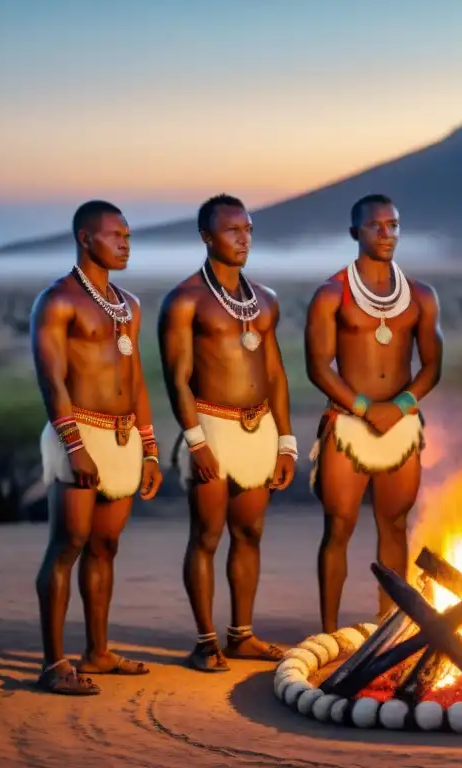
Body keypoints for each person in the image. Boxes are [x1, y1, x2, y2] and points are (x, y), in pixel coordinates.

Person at [158, 193, 297, 672]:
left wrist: (286, 441)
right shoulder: (184, 300)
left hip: (259, 427)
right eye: (232, 230)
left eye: (249, 229)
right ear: (206, 236)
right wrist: (195, 441)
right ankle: (205, 642)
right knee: (206, 536)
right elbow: (176, 378)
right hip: (211, 427)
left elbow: (276, 374)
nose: (244, 239)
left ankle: (241, 636)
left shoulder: (267, 299)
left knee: (250, 532)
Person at [30, 200, 164, 695]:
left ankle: (98, 652)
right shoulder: (57, 300)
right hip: (77, 434)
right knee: (68, 545)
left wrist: (149, 449)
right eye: (115, 235)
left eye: (129, 235)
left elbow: (137, 380)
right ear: (86, 239)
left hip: (125, 437)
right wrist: (74, 446)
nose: (126, 243)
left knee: (106, 547)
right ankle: (52, 664)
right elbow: (52, 380)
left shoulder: (128, 304)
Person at [305, 193, 443, 633]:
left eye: (394, 225)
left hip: (400, 423)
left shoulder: (421, 295)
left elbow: (433, 364)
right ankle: (328, 634)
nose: (387, 234)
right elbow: (317, 366)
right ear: (355, 233)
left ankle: (390, 627)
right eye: (376, 226)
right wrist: (365, 408)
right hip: (348, 422)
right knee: (339, 526)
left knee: (395, 526)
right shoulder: (331, 293)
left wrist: (398, 407)